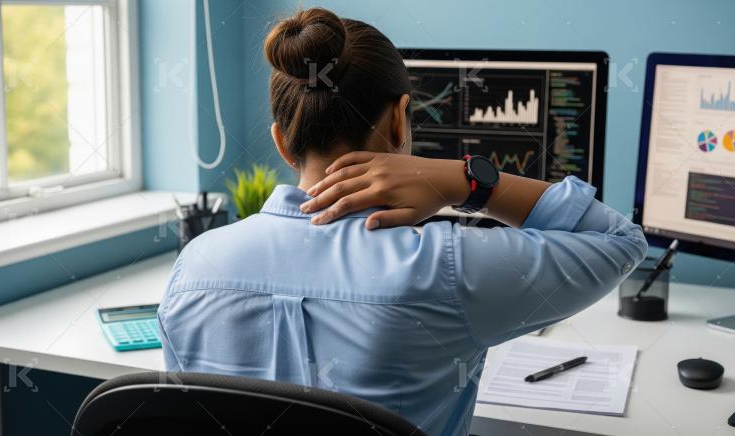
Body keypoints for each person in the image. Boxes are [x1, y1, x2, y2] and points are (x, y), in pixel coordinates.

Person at [158, 7, 647, 436]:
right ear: (400, 120)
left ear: (282, 142)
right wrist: (464, 180)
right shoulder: (440, 267)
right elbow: (618, 240)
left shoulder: (195, 268)